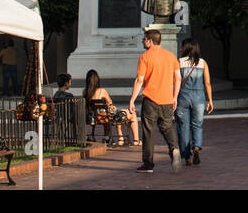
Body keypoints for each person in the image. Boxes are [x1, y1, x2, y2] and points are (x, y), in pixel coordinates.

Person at [129, 29, 182, 174]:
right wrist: (175, 96)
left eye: (144, 39)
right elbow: (178, 77)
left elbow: (140, 79)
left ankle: (148, 163)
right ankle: (174, 149)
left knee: (148, 131)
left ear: (150, 40)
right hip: (167, 99)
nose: (142, 41)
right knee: (167, 127)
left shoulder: (145, 57)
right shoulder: (171, 57)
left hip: (150, 100)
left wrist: (132, 99)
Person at [175, 40, 214, 165]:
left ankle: (186, 157)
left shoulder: (179, 62)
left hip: (183, 96)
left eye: (181, 46)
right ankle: (196, 146)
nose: (180, 48)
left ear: (185, 48)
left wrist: (173, 98)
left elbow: (175, 81)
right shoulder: (202, 63)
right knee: (197, 125)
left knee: (183, 127)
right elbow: (207, 83)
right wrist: (210, 100)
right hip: (199, 97)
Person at [83, 69, 139, 146]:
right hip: (105, 117)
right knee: (131, 114)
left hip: (94, 118)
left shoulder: (85, 92)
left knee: (118, 114)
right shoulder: (102, 91)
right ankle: (136, 140)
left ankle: (119, 139)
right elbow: (110, 104)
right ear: (97, 80)